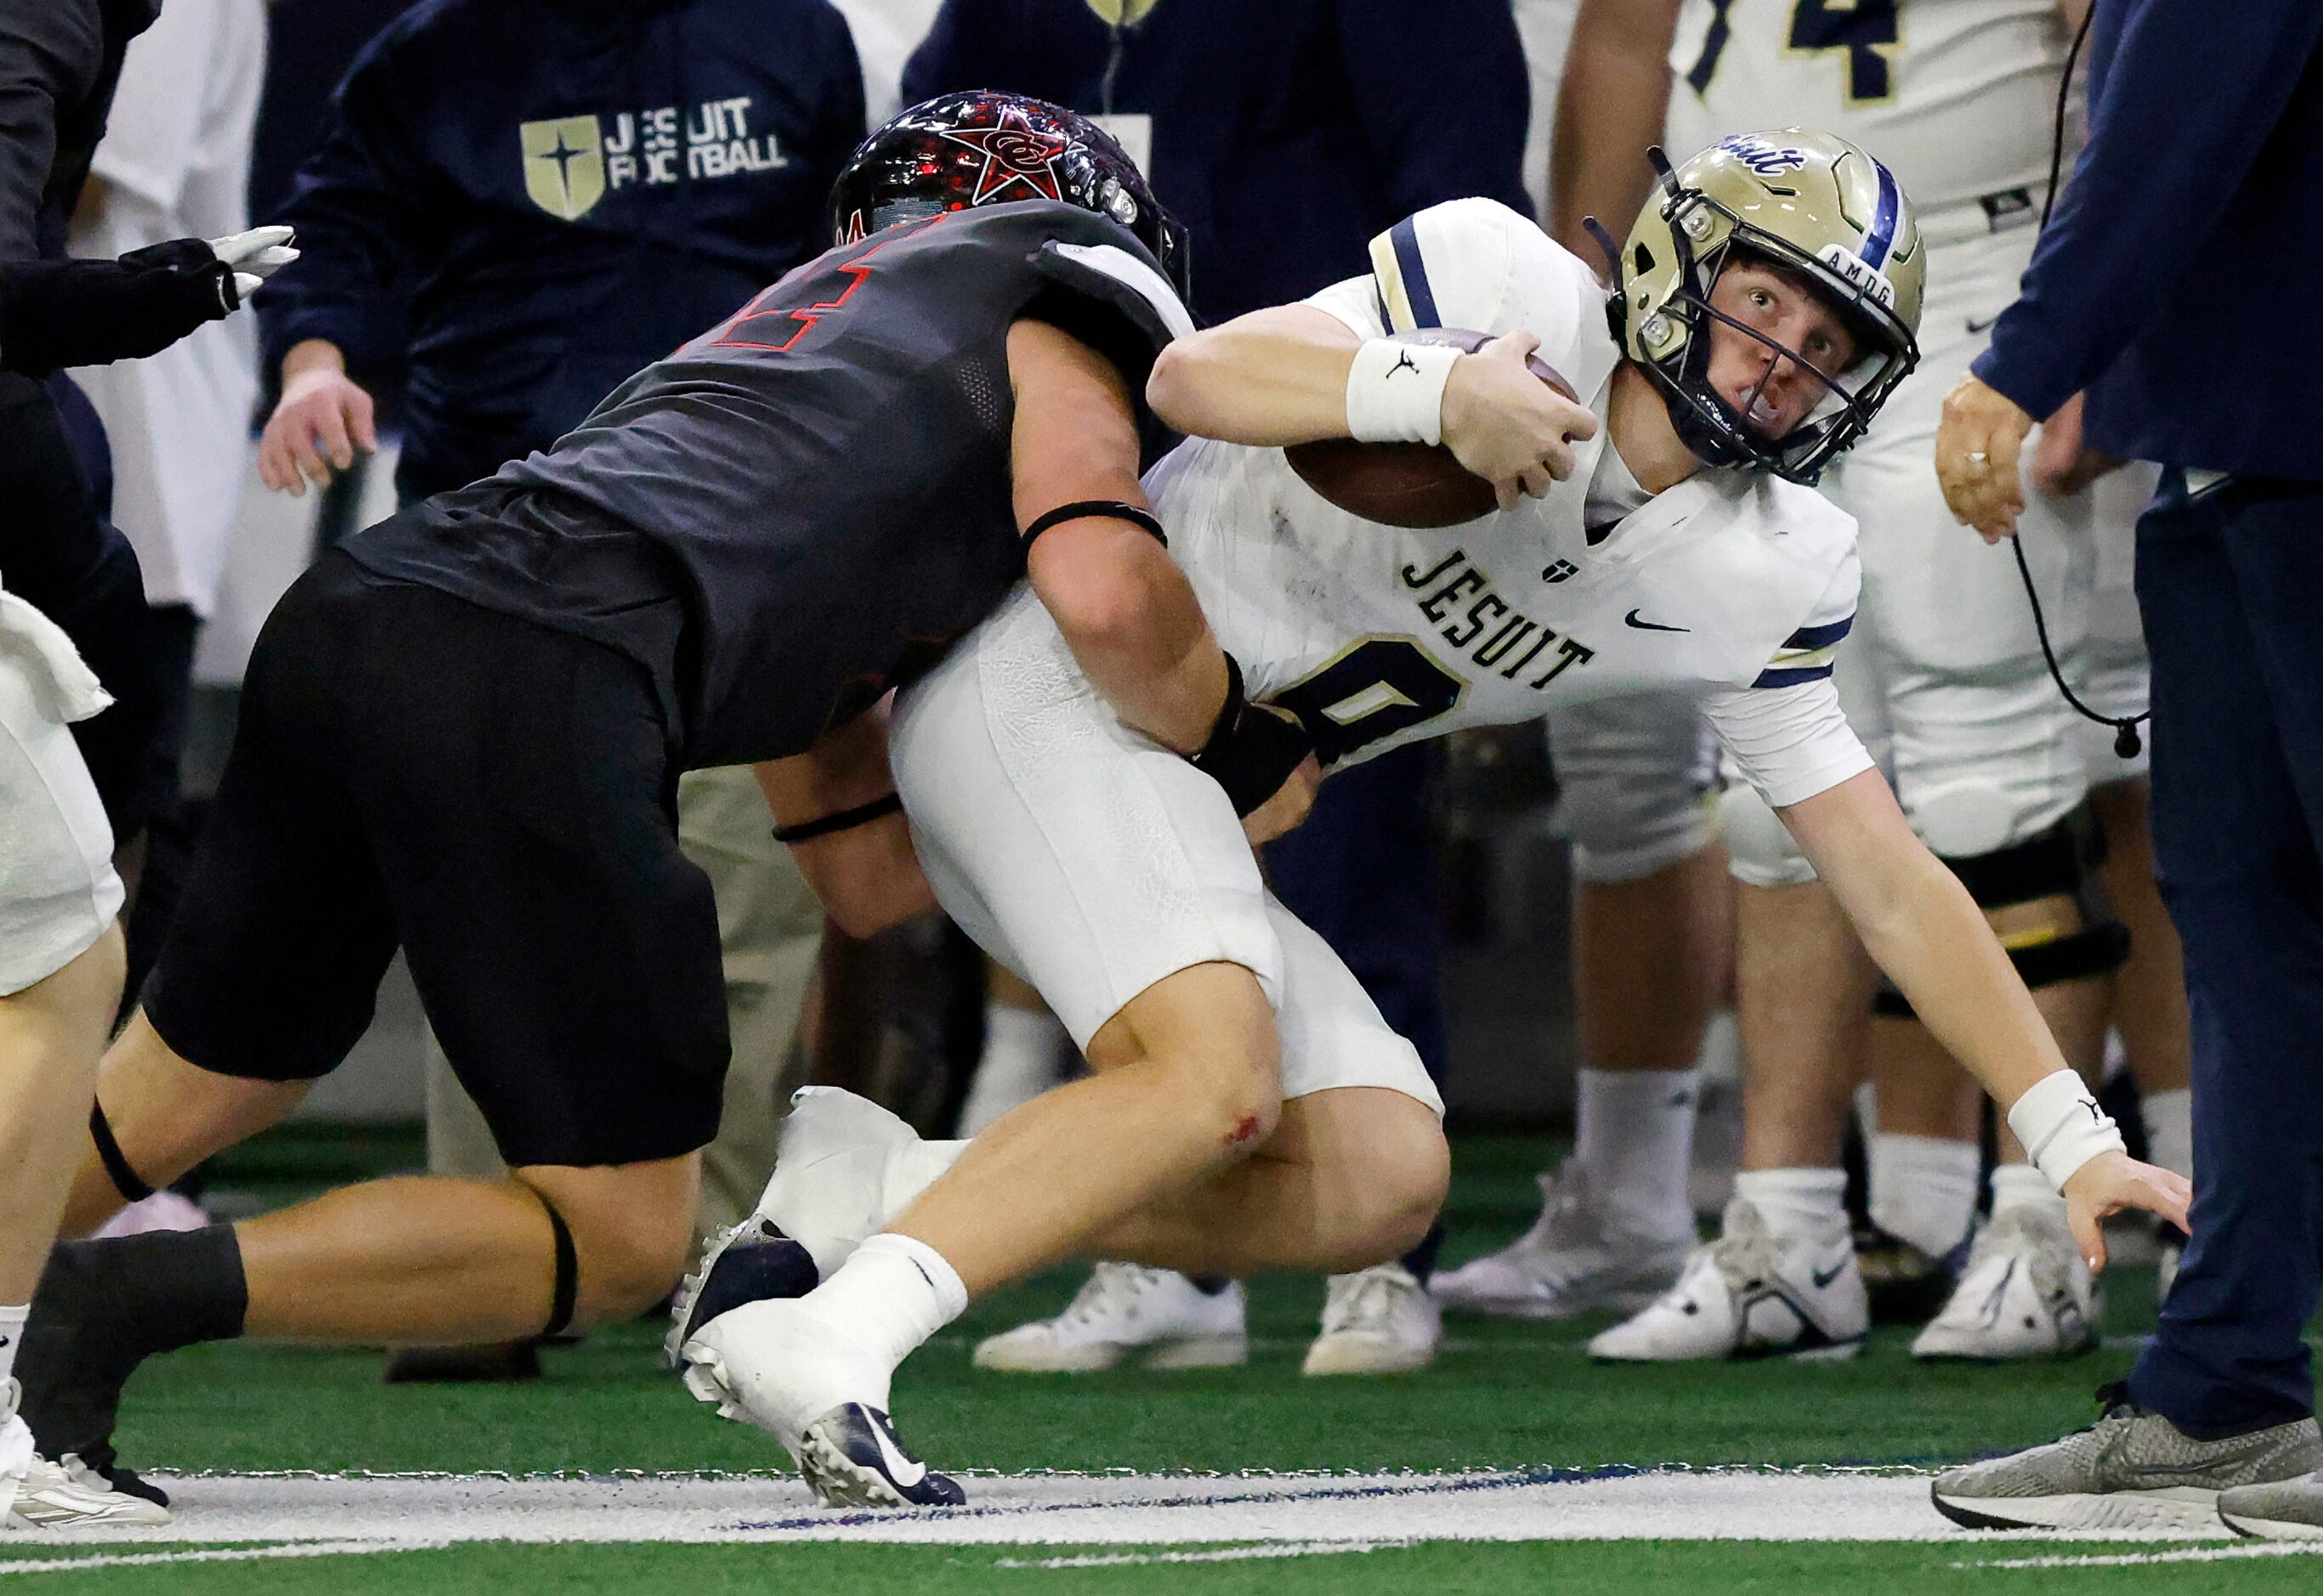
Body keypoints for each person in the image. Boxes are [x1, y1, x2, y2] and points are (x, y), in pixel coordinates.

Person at [671, 132, 2190, 1508]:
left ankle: (878, 1189)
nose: (1787, 356)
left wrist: (2067, 1137)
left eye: (1831, 340)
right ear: (1672, 262)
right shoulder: (1500, 279)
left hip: (1169, 796)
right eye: (1767, 299)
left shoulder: (1774, 564)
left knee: (1380, 1175)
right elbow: (1189, 379)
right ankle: (835, 1339)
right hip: (1050, 686)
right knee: (1213, 1077)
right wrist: (1432, 389)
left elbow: (1886, 873)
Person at [12, 93, 1249, 1508]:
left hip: (375, 598)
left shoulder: (805, 349)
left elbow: (864, 877)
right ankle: (102, 1305)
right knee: (618, 1239)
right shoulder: (1053, 291)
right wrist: (1230, 739)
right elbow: (1100, 577)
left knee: (191, 1081)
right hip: (545, 655)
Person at [1537, 0, 2189, 1367]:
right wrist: (1577, 315)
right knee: (1771, 798)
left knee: (1992, 758)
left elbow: (2132, 55)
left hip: (1983, 284)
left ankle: (2034, 1217)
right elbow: (1616, 42)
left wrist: (2101, 331)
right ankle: (1782, 1229)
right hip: (1744, 294)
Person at [901, 0, 1533, 1378]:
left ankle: (1378, 1262)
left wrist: (1435, 432)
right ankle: (1165, 1258)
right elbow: (927, 179)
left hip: (1326, 473)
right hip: (1102, 472)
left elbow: (1469, 212)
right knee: (1134, 886)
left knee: (1348, 843)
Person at [246, 0, 874, 1378]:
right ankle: (486, 1269)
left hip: (739, 538)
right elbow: (336, 231)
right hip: (504, 541)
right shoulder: (428, 53)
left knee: (747, 903)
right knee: (495, 908)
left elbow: (863, 251)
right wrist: (313, 362)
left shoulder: (790, 33)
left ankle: (719, 1264)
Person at [1929, 0, 2323, 1538]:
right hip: (2238, 443)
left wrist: (2028, 353)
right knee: (2243, 934)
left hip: (2295, 444)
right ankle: (2226, 1385)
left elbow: (2183, 106)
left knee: (2257, 933)